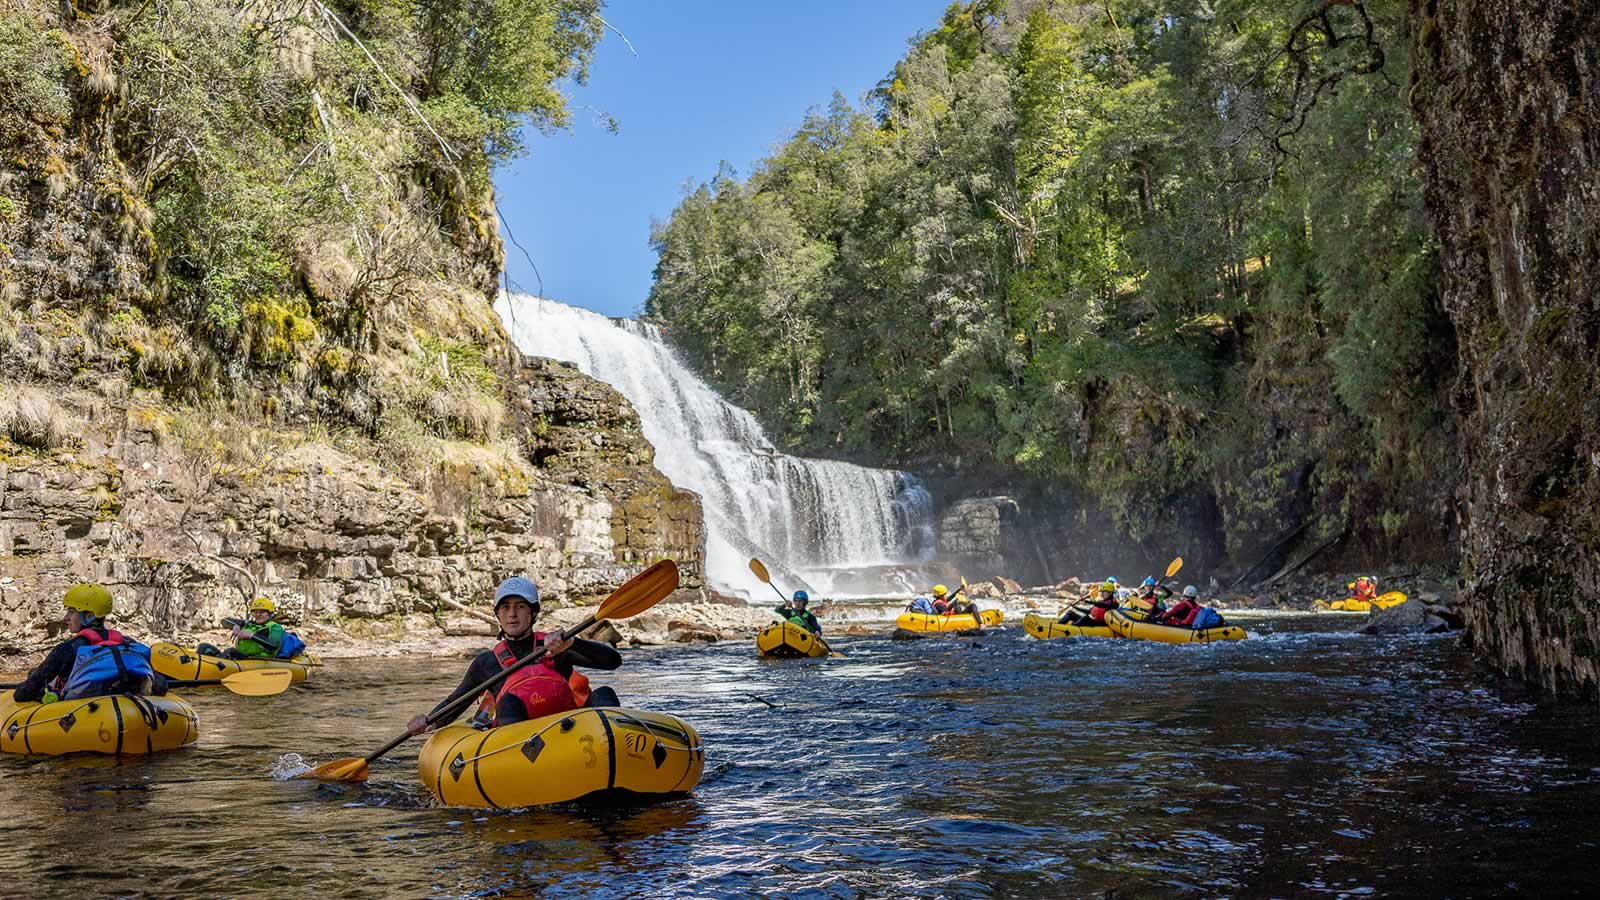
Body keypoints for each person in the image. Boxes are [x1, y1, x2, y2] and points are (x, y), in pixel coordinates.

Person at [408, 576, 621, 735]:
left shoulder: (557, 646)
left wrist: (574, 643)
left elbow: (613, 661)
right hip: (519, 746)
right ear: (498, 614)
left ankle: (616, 761)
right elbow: (456, 702)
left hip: (569, 732)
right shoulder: (487, 663)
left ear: (533, 613)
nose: (512, 614)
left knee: (605, 694)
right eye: (505, 607)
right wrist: (428, 720)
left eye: (520, 607)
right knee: (509, 702)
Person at [11, 584, 168, 703]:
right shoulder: (127, 644)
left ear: (89, 615)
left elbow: (21, 695)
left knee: (35, 675)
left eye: (71, 612)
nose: (66, 618)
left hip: (84, 721)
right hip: (129, 712)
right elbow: (161, 686)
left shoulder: (67, 650)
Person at [199, 597, 301, 660]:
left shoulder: (275, 628)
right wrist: (235, 626)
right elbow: (225, 621)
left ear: (270, 614)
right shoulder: (249, 623)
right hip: (241, 656)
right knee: (204, 647)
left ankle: (215, 667)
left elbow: (274, 645)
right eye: (255, 612)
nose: (258, 615)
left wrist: (251, 636)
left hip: (258, 659)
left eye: (262, 612)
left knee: (231, 651)